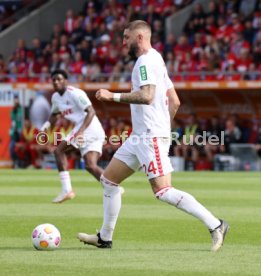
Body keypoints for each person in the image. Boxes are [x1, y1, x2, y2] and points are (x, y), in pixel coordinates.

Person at [77, 20, 229, 251]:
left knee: (163, 190)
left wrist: (112, 96)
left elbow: (147, 96)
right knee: (109, 181)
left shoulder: (144, 62)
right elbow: (175, 101)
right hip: (142, 136)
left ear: (139, 37)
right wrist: (164, 128)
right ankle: (104, 237)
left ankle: (216, 224)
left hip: (149, 136)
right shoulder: (157, 58)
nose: (123, 41)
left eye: (126, 37)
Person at [40, 69, 106, 203]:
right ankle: (113, 187)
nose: (56, 82)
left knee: (59, 151)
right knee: (90, 165)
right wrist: (46, 126)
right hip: (89, 130)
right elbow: (54, 114)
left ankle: (67, 190)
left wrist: (81, 131)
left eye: (59, 79)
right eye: (54, 80)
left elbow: (91, 111)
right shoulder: (56, 98)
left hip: (89, 127)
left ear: (66, 81)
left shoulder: (75, 93)